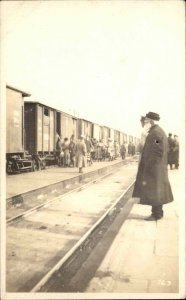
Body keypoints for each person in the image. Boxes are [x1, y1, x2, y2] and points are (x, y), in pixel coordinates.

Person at [132, 112, 173, 221]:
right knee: (156, 191)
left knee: (155, 191)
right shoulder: (158, 132)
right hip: (157, 168)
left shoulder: (155, 134)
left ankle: (156, 214)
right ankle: (157, 213)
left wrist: (150, 165)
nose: (144, 124)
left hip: (154, 169)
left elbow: (157, 150)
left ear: (150, 121)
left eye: (145, 122)